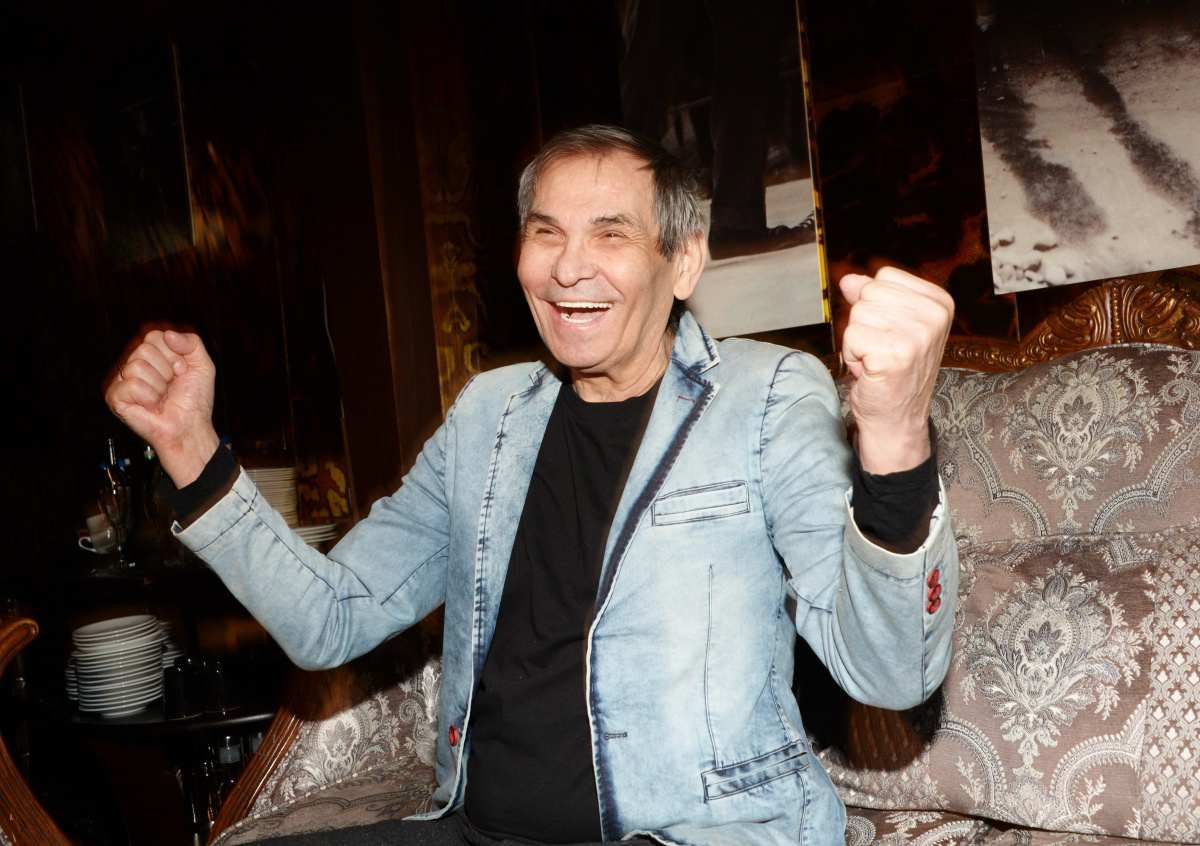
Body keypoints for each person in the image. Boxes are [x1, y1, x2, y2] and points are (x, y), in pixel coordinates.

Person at [106, 125, 957, 846]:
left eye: (611, 235)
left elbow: (889, 673)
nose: (568, 268)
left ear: (684, 261)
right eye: (545, 233)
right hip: (478, 829)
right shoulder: (488, 413)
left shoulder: (766, 395)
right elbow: (330, 619)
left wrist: (895, 437)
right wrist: (191, 451)